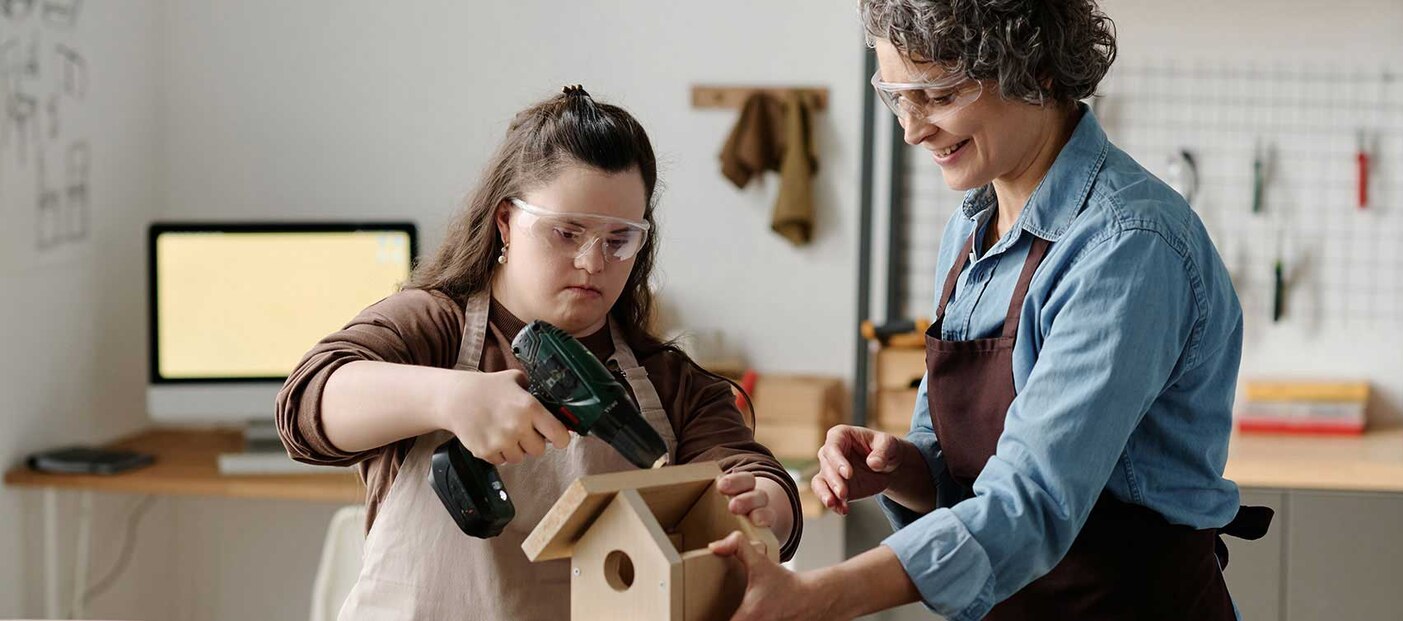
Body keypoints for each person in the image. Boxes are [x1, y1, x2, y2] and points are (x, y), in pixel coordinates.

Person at [711, 2, 1270, 619]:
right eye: (898, 96)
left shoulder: (1127, 246)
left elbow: (1032, 499)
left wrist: (816, 596)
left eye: (939, 94)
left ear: (1035, 68)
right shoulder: (970, 231)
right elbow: (964, 469)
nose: (912, 129)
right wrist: (904, 467)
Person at [277, 85, 801, 620]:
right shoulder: (433, 328)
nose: (593, 263)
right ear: (506, 221)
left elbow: (759, 480)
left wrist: (763, 505)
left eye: (620, 239)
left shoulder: (668, 381)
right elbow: (305, 406)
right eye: (567, 232)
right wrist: (450, 397)